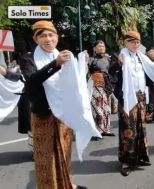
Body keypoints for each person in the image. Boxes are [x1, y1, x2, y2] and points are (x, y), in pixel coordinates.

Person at [18, 20, 87, 189]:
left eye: (51, 35)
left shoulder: (65, 56)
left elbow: (74, 84)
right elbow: (32, 82)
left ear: (57, 37)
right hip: (43, 114)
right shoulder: (28, 59)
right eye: (42, 36)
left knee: (64, 152)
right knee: (46, 158)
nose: (48, 39)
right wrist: (55, 64)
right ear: (36, 39)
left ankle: (67, 184)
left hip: (64, 114)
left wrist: (81, 68)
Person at [112, 31, 151, 176]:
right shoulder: (121, 57)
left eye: (138, 41)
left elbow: (149, 75)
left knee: (141, 128)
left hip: (141, 98)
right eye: (132, 41)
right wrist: (118, 64)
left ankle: (140, 157)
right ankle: (126, 161)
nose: (136, 44)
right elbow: (111, 75)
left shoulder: (141, 58)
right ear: (125, 43)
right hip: (128, 100)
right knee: (128, 131)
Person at [88, 40, 115, 139]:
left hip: (107, 86)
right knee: (97, 109)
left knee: (107, 109)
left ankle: (106, 129)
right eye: (99, 46)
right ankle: (97, 131)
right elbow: (85, 70)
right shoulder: (91, 60)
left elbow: (113, 71)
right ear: (94, 48)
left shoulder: (108, 59)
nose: (101, 48)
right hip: (96, 85)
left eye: (103, 46)